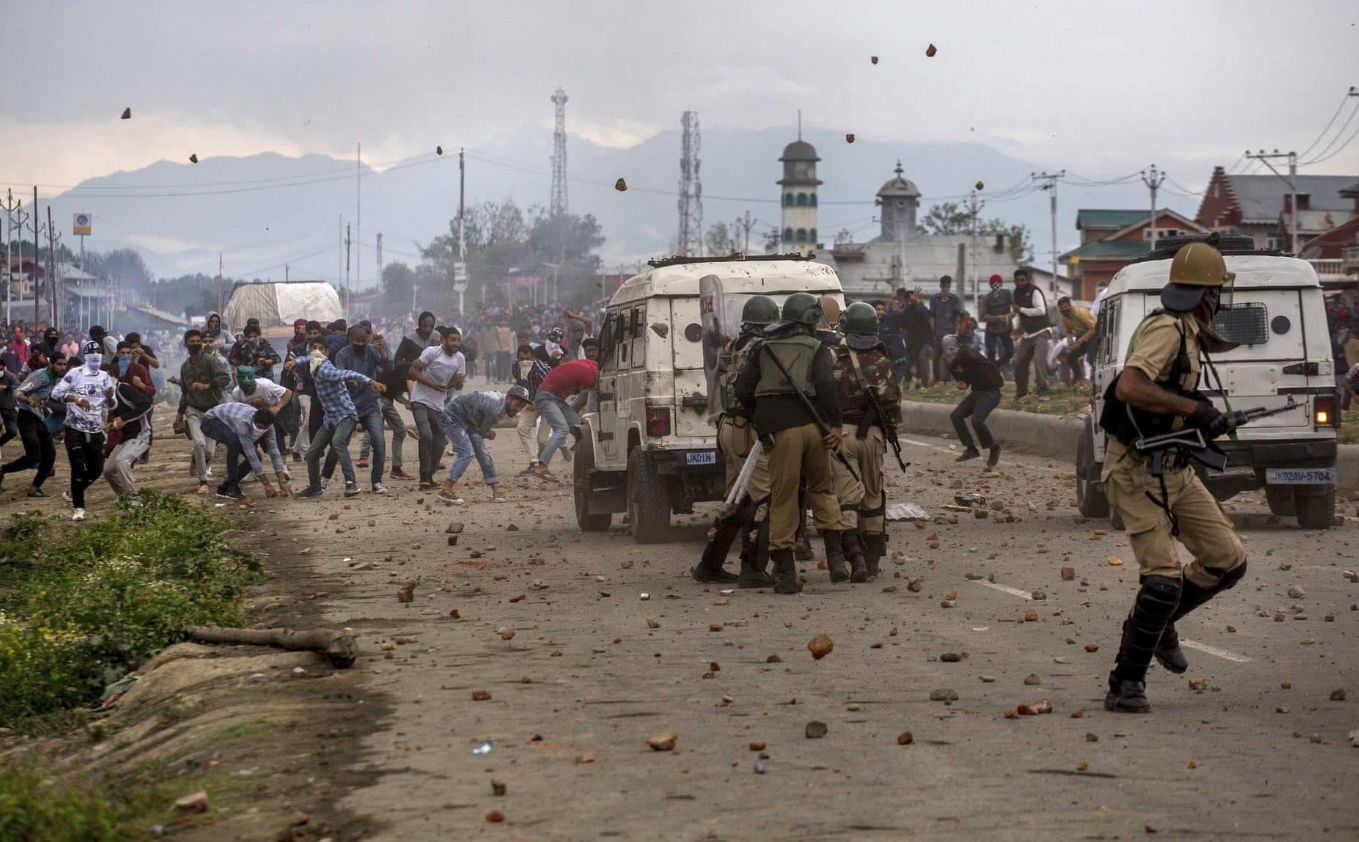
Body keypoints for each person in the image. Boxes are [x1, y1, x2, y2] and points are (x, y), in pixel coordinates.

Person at [1100, 242, 1247, 714]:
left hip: (1175, 470)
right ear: (1206, 293)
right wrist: (1194, 409)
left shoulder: (1188, 329)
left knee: (1228, 561)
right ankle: (1126, 680)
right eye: (1218, 292)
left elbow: (1175, 388)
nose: (1220, 301)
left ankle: (1160, 624)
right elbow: (1130, 385)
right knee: (1161, 580)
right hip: (1134, 472)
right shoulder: (1165, 329)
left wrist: (1206, 417)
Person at [734, 293, 843, 594]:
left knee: (783, 497)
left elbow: (742, 389)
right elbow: (827, 386)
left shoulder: (762, 349)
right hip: (816, 429)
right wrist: (835, 424)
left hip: (780, 432)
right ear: (809, 319)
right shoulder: (818, 348)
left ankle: (786, 574)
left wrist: (761, 421)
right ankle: (836, 560)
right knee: (822, 489)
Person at [692, 295, 779, 587]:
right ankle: (753, 567)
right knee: (765, 499)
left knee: (736, 499)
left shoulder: (731, 346)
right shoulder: (763, 349)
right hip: (747, 428)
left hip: (728, 425)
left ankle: (710, 564)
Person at [830, 302, 901, 582]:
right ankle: (872, 561)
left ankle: (855, 555)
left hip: (842, 434)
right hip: (873, 435)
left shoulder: (835, 358)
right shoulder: (882, 359)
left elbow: (826, 395)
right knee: (873, 493)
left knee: (847, 496)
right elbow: (894, 400)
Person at [297, 337, 386, 499]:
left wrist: (370, 381)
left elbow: (346, 373)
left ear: (327, 353)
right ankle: (316, 488)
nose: (316, 351)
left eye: (321, 348)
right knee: (311, 454)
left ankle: (351, 483)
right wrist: (296, 361)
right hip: (330, 418)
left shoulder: (324, 367)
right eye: (313, 348)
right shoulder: (313, 365)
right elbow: (307, 358)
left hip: (346, 415)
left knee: (338, 442)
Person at [51, 341, 116, 520]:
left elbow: (112, 404)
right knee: (77, 467)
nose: (95, 357)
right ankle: (79, 507)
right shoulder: (75, 373)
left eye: (98, 354)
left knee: (96, 469)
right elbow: (56, 394)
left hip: (95, 429)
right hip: (74, 428)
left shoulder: (104, 377)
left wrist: (110, 398)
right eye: (92, 354)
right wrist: (77, 399)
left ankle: (73, 491)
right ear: (86, 357)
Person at [437, 385, 530, 504]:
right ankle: (446, 490)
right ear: (509, 399)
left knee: (482, 452)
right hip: (453, 417)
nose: (518, 409)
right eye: (518, 404)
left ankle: (496, 489)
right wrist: (490, 434)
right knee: (467, 452)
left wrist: (486, 432)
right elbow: (483, 431)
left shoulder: (501, 403)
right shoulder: (495, 409)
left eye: (522, 406)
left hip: (468, 420)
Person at [334, 325, 392, 493]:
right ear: (350, 340)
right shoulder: (342, 354)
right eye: (357, 342)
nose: (361, 345)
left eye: (364, 342)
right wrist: (348, 381)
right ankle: (342, 481)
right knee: (339, 442)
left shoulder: (372, 350)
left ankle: (377, 482)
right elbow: (338, 374)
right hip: (349, 406)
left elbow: (387, 366)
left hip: (370, 404)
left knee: (379, 442)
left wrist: (382, 351)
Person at [171, 329, 230, 494]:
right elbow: (185, 393)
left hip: (212, 410)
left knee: (210, 451)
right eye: (192, 341)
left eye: (198, 340)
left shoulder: (211, 361)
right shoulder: (185, 367)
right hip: (193, 409)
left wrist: (208, 385)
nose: (196, 343)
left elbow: (225, 378)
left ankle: (196, 458)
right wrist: (179, 415)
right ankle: (203, 481)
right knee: (199, 443)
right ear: (186, 345)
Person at [0, 353, 66, 496]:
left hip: (38, 418)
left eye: (64, 364)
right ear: (52, 364)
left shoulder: (55, 378)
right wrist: (29, 400)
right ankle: (3, 470)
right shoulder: (40, 376)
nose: (62, 367)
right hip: (26, 417)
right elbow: (17, 392)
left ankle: (34, 489)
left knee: (49, 455)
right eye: (59, 364)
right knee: (34, 456)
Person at [407, 328, 465, 489]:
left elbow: (456, 382)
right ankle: (424, 476)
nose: (456, 343)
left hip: (439, 404)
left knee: (440, 441)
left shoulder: (460, 358)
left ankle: (429, 476)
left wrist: (456, 383)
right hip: (420, 399)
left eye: (458, 340)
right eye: (453, 340)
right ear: (443, 339)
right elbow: (412, 370)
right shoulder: (432, 352)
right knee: (426, 436)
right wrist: (431, 384)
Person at [200, 403, 291, 500]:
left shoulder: (270, 427)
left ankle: (224, 488)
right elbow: (250, 454)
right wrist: (266, 484)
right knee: (234, 443)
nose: (261, 430)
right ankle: (232, 487)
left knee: (258, 457)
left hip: (229, 423)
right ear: (254, 421)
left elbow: (274, 451)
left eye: (264, 428)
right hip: (211, 421)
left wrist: (282, 481)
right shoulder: (243, 422)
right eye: (259, 427)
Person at [530, 357, 597, 482]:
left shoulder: (592, 366)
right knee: (562, 429)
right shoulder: (592, 377)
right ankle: (541, 466)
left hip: (556, 397)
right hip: (546, 397)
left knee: (581, 429)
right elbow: (590, 403)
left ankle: (584, 470)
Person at [948, 330, 1004, 469]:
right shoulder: (958, 363)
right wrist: (961, 381)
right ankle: (971, 449)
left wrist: (961, 354)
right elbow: (963, 379)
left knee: (977, 421)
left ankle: (994, 448)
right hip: (977, 392)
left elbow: (968, 355)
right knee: (956, 415)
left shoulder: (970, 355)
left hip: (991, 393)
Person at [101, 365, 154, 497]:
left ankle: (133, 500)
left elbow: (147, 404)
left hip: (142, 435)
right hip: (126, 438)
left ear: (116, 377)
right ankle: (124, 498)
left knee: (122, 461)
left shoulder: (124, 389)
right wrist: (114, 424)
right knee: (108, 470)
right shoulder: (107, 398)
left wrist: (124, 419)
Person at [512, 344, 554, 476]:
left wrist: (537, 402)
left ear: (534, 358)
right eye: (521, 359)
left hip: (548, 402)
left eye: (528, 358)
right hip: (530, 402)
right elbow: (519, 383)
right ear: (517, 359)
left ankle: (541, 464)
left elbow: (551, 389)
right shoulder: (516, 367)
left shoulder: (541, 369)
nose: (525, 362)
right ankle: (534, 463)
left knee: (542, 440)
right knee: (522, 427)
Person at [1011, 268, 1050, 400]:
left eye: (1022, 280)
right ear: (1014, 281)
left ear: (1027, 280)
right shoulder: (1016, 293)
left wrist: (1021, 309)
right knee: (1019, 363)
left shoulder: (1034, 291)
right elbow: (1019, 315)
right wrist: (1017, 330)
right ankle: (1021, 392)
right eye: (1017, 281)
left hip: (1041, 332)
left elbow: (1041, 311)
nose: (1020, 283)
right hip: (1028, 334)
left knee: (1039, 362)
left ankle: (1043, 392)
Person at [929, 276, 964, 382]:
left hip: (950, 332)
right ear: (940, 286)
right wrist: (932, 331)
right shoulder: (934, 299)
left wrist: (956, 332)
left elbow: (957, 316)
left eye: (948, 286)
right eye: (944, 286)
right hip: (938, 332)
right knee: (936, 356)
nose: (946, 288)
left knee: (949, 357)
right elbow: (932, 316)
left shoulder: (955, 299)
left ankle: (948, 380)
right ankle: (936, 377)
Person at [1058, 296, 1097, 386]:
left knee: (1091, 357)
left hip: (1095, 333)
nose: (1064, 310)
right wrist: (1070, 341)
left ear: (1070, 306)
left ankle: (1095, 379)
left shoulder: (1080, 314)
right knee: (1070, 357)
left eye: (1065, 307)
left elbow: (1093, 328)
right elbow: (1068, 331)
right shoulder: (1065, 318)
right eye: (1061, 308)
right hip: (1082, 335)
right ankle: (1079, 379)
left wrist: (1079, 342)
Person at [981, 274, 1014, 368]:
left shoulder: (1007, 294)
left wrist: (1009, 316)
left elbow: (1016, 309)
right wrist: (996, 318)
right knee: (991, 352)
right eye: (994, 284)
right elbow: (982, 316)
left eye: (998, 284)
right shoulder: (986, 298)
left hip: (1006, 328)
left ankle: (996, 365)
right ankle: (992, 371)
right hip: (992, 329)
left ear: (1002, 284)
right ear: (990, 285)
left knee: (1010, 352)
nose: (996, 286)